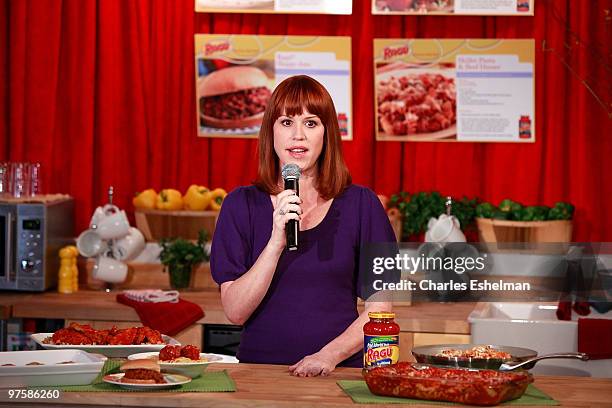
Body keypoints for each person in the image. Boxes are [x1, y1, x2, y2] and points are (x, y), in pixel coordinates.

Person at [210, 75, 396, 377]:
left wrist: (327, 356)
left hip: (337, 373)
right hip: (260, 374)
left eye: (311, 123)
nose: (298, 135)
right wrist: (275, 244)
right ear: (270, 132)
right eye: (286, 122)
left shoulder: (362, 205)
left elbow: (381, 309)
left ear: (327, 134)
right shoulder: (239, 205)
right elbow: (234, 311)